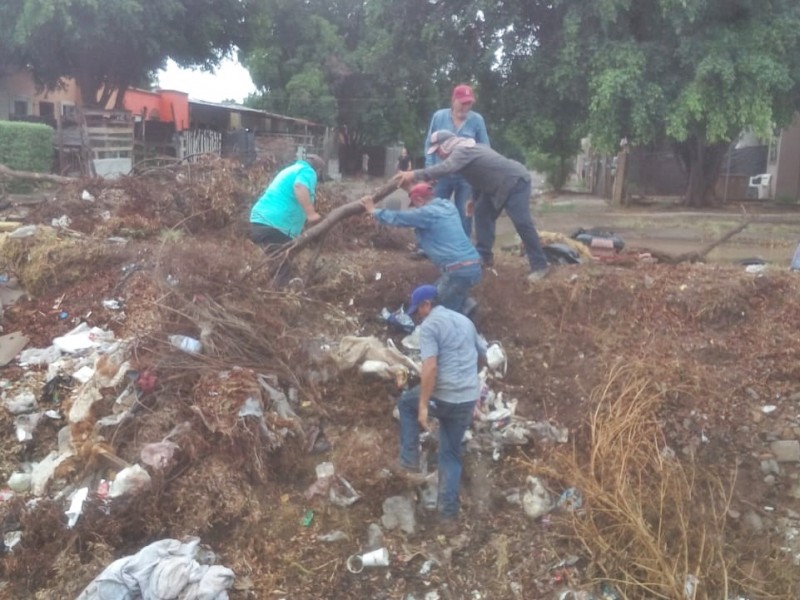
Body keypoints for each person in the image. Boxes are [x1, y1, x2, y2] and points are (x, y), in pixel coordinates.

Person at [394, 130, 550, 282]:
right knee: (481, 212)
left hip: (515, 181)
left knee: (522, 223)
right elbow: (479, 176)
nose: (438, 154)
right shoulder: (466, 152)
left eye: (438, 150)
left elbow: (445, 168)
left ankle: (540, 265)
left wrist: (414, 174)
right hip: (495, 186)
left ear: (447, 144)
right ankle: (484, 256)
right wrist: (473, 200)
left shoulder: (463, 150)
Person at [395, 284, 486, 526]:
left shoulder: (430, 326)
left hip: (443, 396)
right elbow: (482, 355)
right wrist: (471, 389)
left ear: (427, 304)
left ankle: (408, 462)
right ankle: (448, 516)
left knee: (406, 404)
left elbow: (430, 367)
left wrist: (424, 405)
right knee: (450, 454)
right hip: (465, 399)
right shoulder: (465, 322)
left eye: (418, 310)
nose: (418, 316)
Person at [360, 182, 481, 315]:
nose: (415, 209)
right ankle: (466, 305)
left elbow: (399, 218)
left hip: (457, 270)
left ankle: (461, 317)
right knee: (435, 292)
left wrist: (373, 211)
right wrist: (411, 188)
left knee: (438, 308)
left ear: (419, 200)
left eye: (415, 204)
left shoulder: (426, 213)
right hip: (473, 265)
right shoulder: (448, 207)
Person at [424, 84, 490, 237]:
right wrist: (430, 171)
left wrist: (480, 176)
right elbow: (429, 144)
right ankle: (426, 246)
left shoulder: (477, 121)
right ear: (453, 100)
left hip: (466, 176)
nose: (465, 107)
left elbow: (484, 148)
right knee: (434, 209)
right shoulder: (439, 117)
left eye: (469, 103)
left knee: (465, 212)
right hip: (441, 173)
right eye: (462, 103)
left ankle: (464, 248)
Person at [249, 154, 324, 251]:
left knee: (274, 262)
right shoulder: (308, 171)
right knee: (281, 264)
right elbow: (299, 187)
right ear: (318, 171)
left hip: (261, 221)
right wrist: (311, 214)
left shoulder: (292, 169)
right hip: (275, 225)